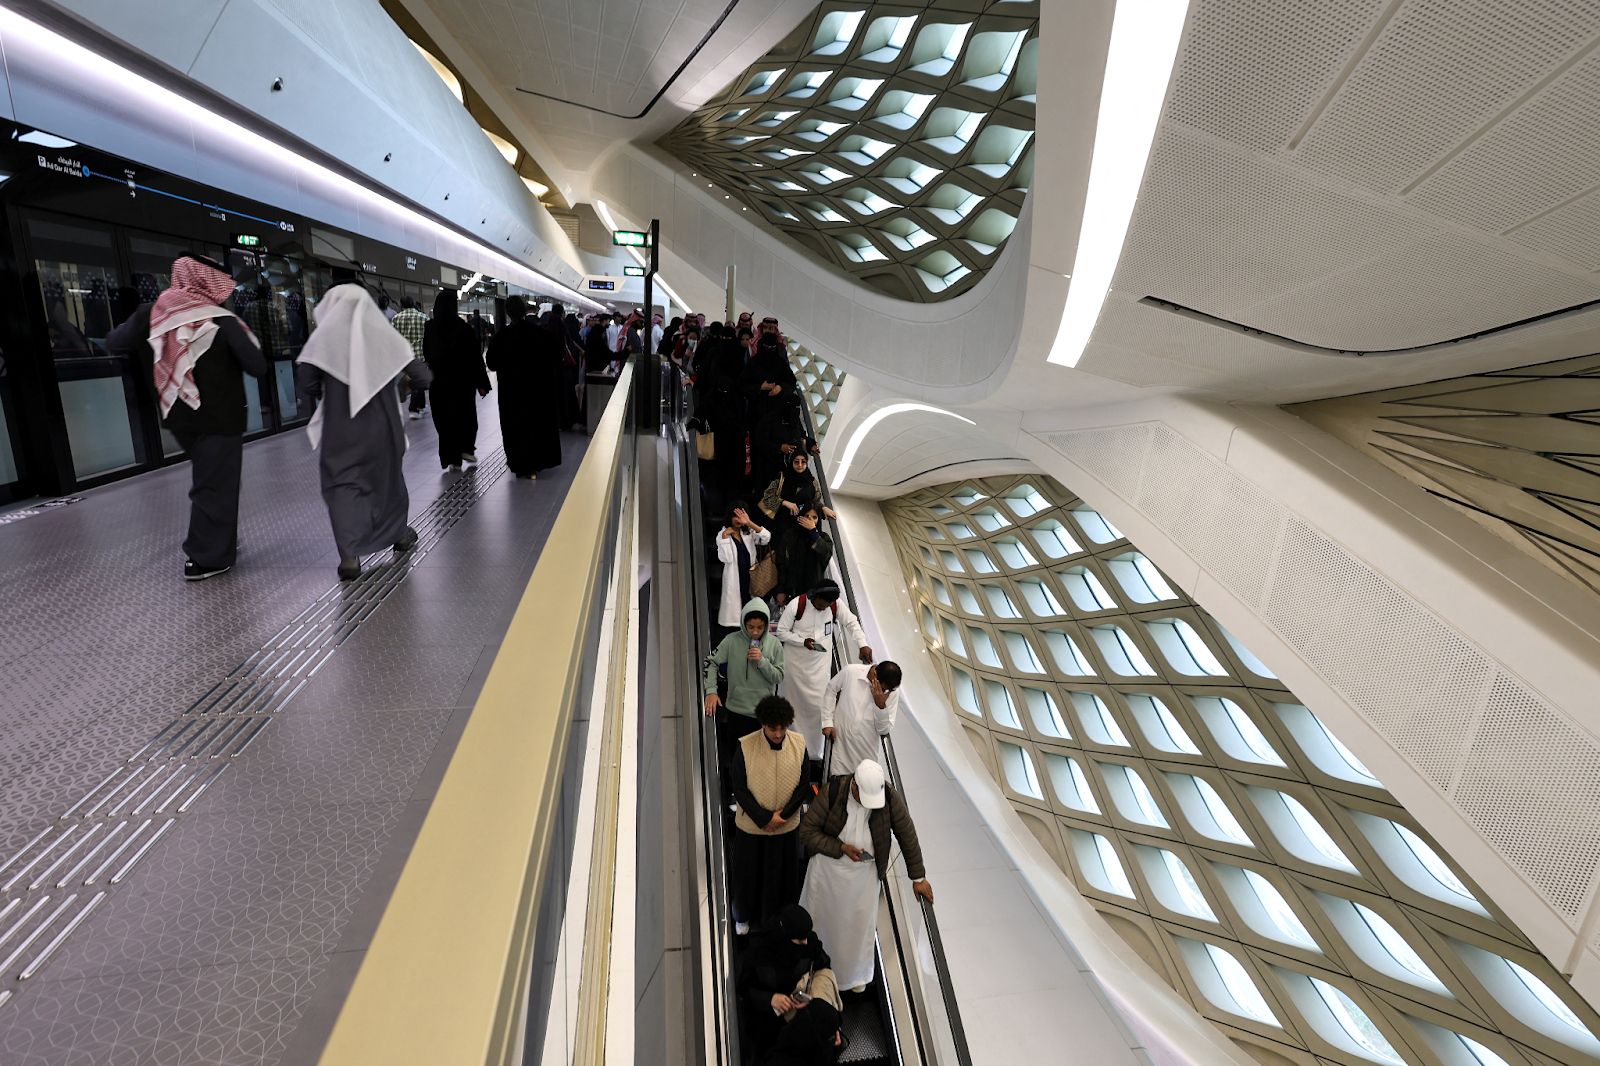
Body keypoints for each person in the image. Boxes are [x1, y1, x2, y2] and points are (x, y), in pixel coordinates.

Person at [107, 254, 267, 581]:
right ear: (207, 280)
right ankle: (204, 558)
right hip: (221, 419)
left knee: (211, 481)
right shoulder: (221, 319)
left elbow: (114, 341)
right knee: (214, 486)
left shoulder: (152, 313)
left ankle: (219, 542)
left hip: (179, 417)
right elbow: (257, 365)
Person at [297, 282, 430, 581]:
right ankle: (398, 534)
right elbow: (423, 377)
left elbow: (305, 383)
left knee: (343, 486)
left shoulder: (322, 340)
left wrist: (333, 388)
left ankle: (349, 558)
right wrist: (400, 386)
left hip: (340, 430)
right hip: (383, 429)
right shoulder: (384, 336)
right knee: (387, 481)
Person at [799, 759, 932, 993]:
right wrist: (841, 847)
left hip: (863, 880)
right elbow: (807, 832)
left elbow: (907, 834)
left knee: (857, 929)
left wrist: (918, 878)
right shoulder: (835, 790)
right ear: (854, 786)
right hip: (828, 875)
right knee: (822, 923)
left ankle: (852, 975)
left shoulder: (888, 797)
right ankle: (813, 970)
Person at [730, 697, 812, 935]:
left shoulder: (799, 745)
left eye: (782, 728)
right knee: (748, 875)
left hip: (785, 827)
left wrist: (781, 816)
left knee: (780, 877)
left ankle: (775, 918)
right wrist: (765, 818)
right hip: (752, 828)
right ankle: (743, 917)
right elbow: (739, 788)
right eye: (772, 728)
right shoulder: (745, 747)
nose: (778, 734)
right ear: (763, 725)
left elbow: (803, 785)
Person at [773, 581, 870, 758]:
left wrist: (862, 644)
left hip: (820, 670)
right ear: (814, 596)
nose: (822, 608)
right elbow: (781, 632)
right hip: (795, 669)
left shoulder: (835, 606)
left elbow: (851, 622)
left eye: (826, 606)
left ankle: (814, 754)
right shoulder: (797, 605)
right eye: (820, 605)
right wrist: (802, 641)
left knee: (819, 709)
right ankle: (790, 750)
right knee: (793, 708)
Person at [705, 598, 786, 790]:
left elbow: (779, 676)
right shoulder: (732, 641)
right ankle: (735, 793)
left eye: (759, 627)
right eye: (750, 627)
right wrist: (711, 691)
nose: (755, 632)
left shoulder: (774, 645)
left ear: (766, 625)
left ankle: (758, 795)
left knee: (761, 762)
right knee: (736, 759)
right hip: (736, 712)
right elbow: (711, 661)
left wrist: (762, 662)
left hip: (763, 716)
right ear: (743, 623)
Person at [737, 904, 835, 1062]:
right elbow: (743, 987)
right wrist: (770, 999)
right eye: (799, 939)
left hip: (796, 1014)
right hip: (764, 1020)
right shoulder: (758, 952)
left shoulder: (810, 942)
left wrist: (811, 999)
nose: (805, 942)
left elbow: (823, 965)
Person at [484, 295, 562, 479]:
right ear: (526, 309)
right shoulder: (539, 333)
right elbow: (555, 356)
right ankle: (535, 464)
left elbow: (492, 363)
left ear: (507, 313)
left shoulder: (501, 337)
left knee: (515, 428)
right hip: (537, 391)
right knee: (535, 425)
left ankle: (519, 464)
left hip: (511, 394)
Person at [424, 288, 490, 471]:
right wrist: (482, 383)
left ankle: (452, 458)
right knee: (466, 416)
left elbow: (426, 354)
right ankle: (466, 448)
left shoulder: (429, 328)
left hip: (439, 383)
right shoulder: (464, 329)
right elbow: (475, 358)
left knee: (444, 420)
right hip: (463, 383)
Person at [822, 662, 901, 778]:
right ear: (874, 674)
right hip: (841, 749)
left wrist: (881, 706)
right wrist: (827, 721)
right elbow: (831, 689)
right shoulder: (852, 671)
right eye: (883, 689)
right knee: (836, 789)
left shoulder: (892, 693)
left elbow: (883, 730)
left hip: (866, 755)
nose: (885, 693)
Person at [716, 502, 772, 635]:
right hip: (735, 579)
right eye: (735, 516)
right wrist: (724, 538)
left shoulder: (748, 532)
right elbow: (726, 559)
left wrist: (749, 523)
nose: (738, 520)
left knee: (751, 613)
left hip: (751, 578)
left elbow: (766, 537)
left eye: (741, 516)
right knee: (735, 617)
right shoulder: (722, 534)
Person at [773, 505, 834, 607]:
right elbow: (781, 562)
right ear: (801, 516)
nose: (810, 520)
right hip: (791, 589)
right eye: (807, 516)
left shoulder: (823, 537)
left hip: (813, 591)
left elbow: (825, 554)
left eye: (814, 517)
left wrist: (813, 532)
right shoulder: (790, 535)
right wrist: (781, 589)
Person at [761, 451, 835, 534]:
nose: (800, 465)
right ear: (791, 462)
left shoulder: (812, 482)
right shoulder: (781, 478)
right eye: (796, 462)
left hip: (802, 526)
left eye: (803, 462)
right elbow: (767, 499)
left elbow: (815, 501)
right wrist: (784, 502)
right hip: (780, 523)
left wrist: (823, 507)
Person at [392, 296, 428, 419]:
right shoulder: (423, 317)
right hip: (419, 354)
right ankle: (414, 409)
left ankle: (422, 406)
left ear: (401, 305)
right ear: (413, 304)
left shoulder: (396, 318)